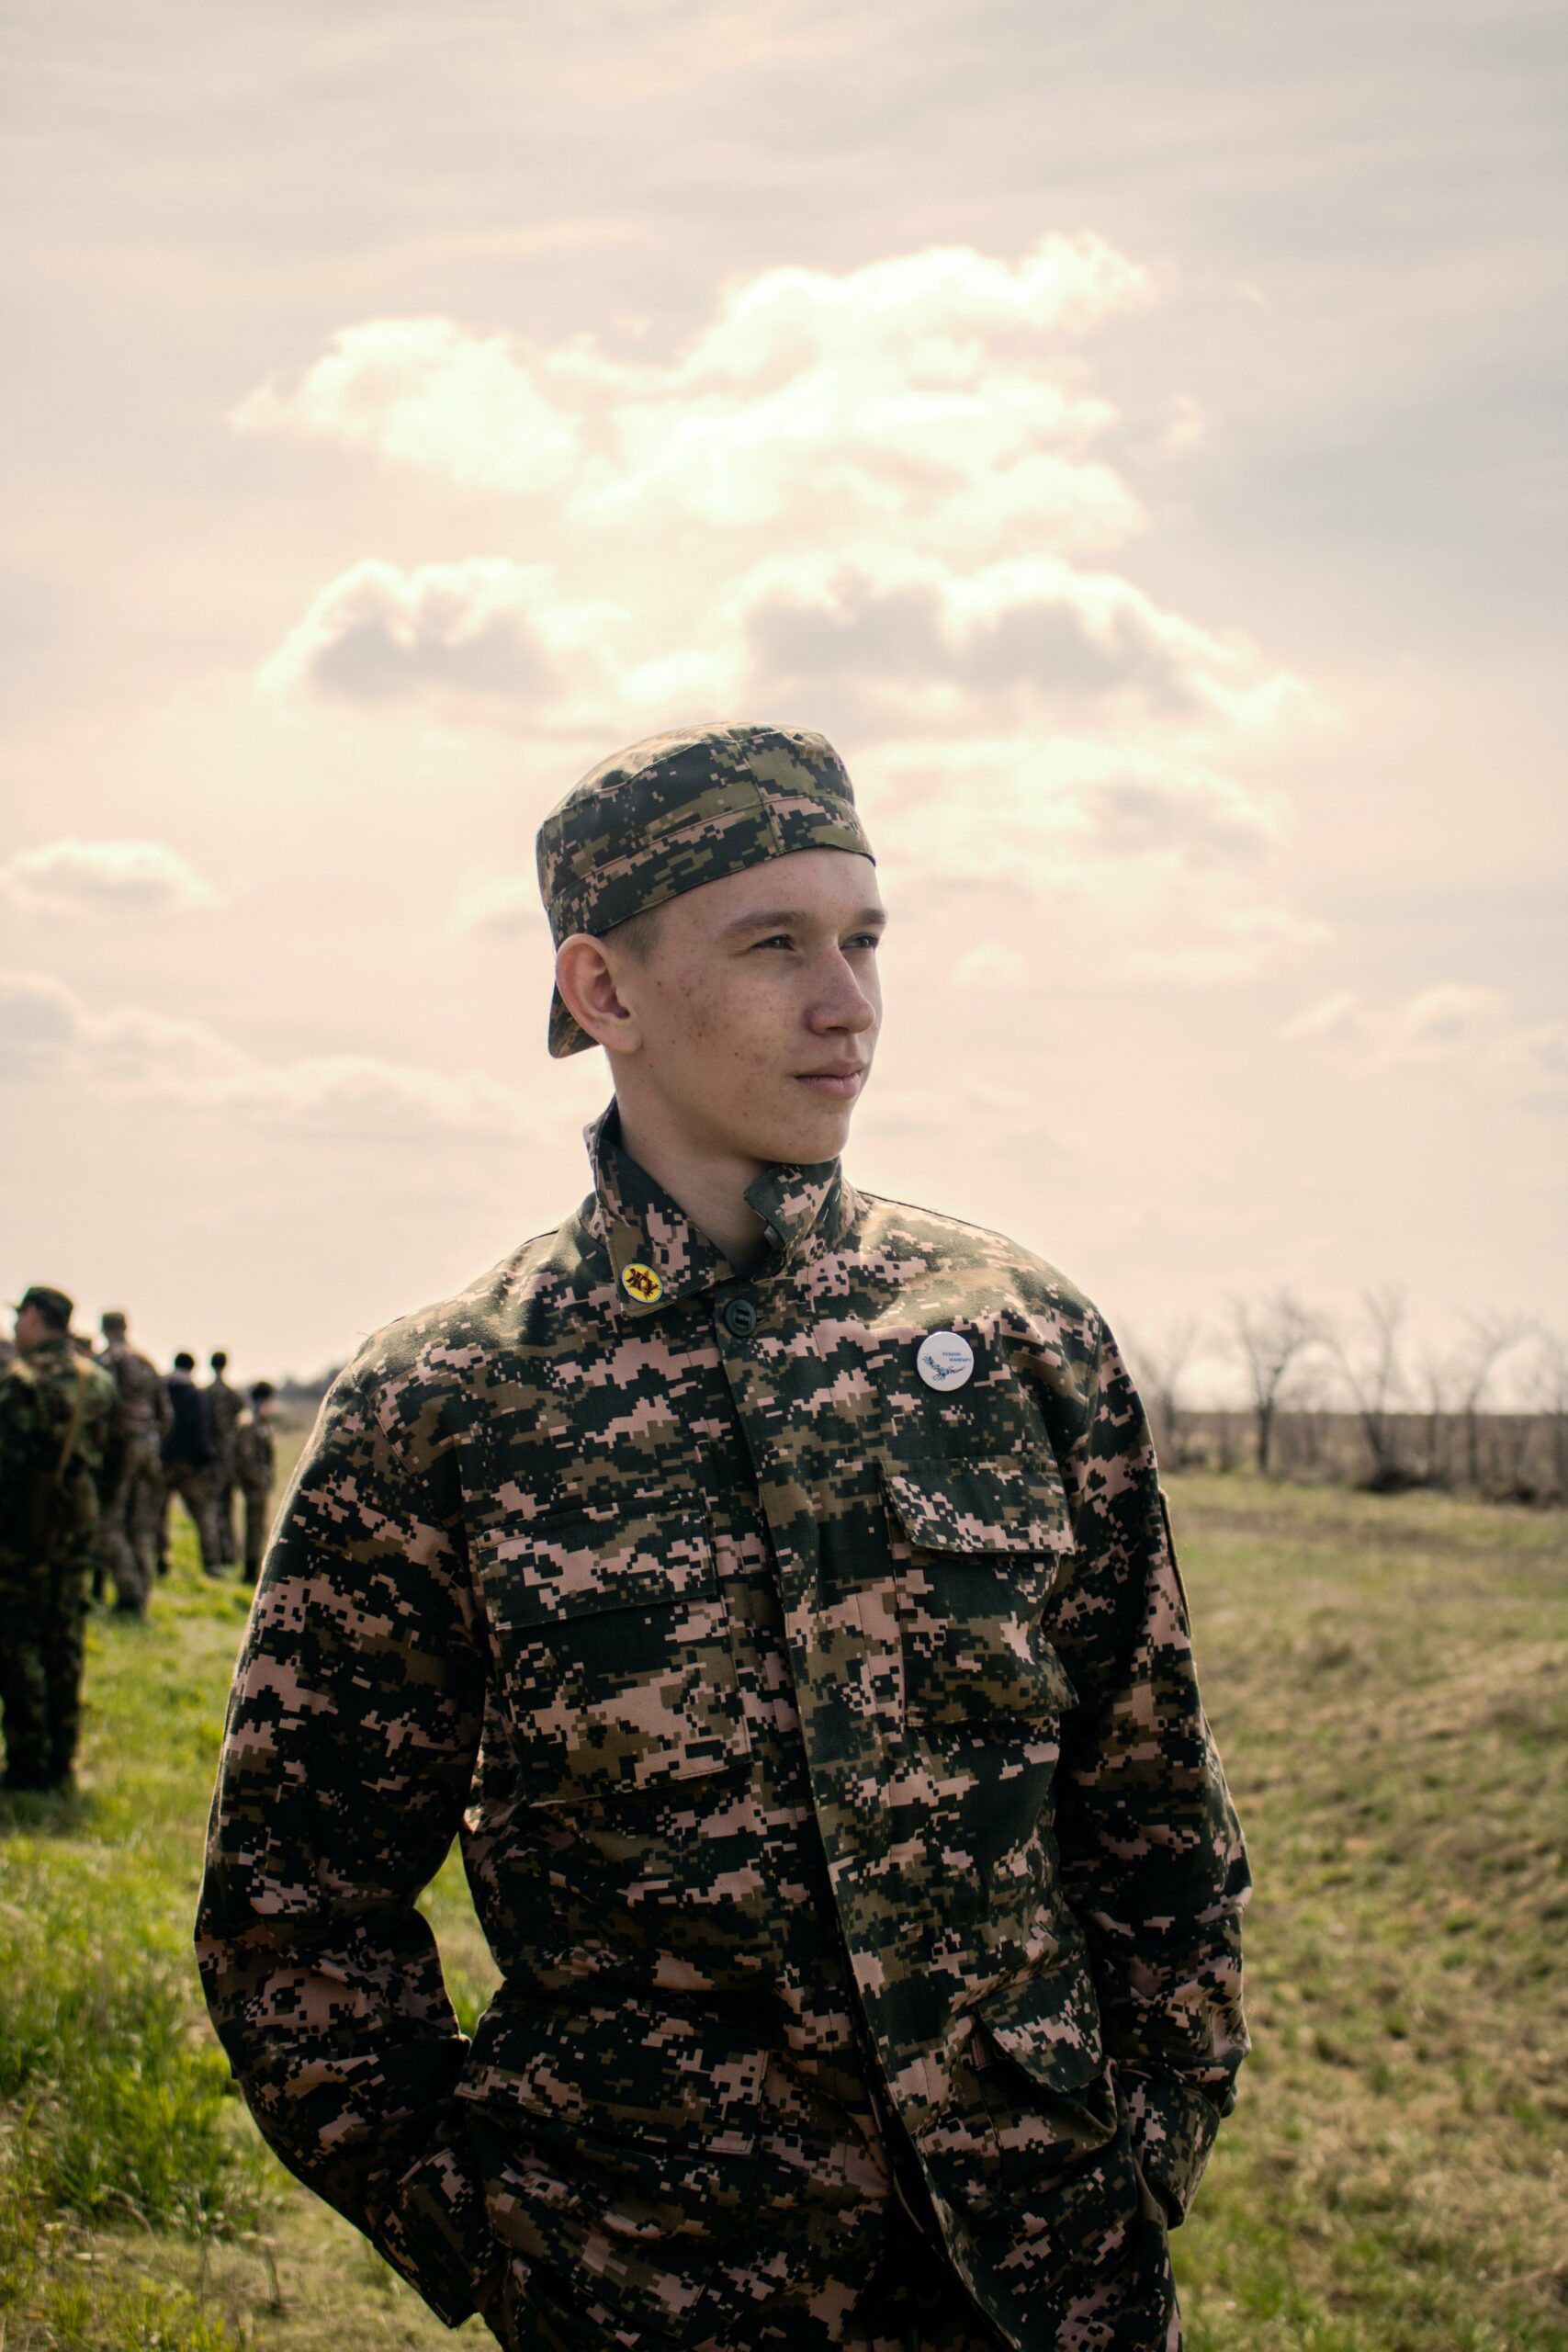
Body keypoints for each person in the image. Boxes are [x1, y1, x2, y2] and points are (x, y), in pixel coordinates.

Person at [197, 723, 1249, 2352]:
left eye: (864, 940)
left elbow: (1153, 1810)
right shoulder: (450, 1403)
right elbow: (296, 1902)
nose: (849, 1005)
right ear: (604, 991)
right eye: (775, 945)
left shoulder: (1017, 1339)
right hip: (648, 2295)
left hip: (1043, 2288)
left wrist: (1146, 2137)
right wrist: (495, 2229)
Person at [0, 1284, 118, 1792]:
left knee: (18, 1642)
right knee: (65, 1639)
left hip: (24, 1535)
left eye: (18, 1318)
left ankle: (29, 1762)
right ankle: (62, 1757)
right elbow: (111, 1463)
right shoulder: (99, 1383)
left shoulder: (23, 1382)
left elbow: (5, 1471)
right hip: (77, 1531)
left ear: (33, 1317)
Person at [94, 1308, 174, 1614]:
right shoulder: (146, 1363)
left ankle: (129, 1593)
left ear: (104, 1329)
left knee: (109, 1525)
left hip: (121, 1451)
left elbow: (99, 1412)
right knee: (141, 1526)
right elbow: (166, 1415)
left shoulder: (106, 1364)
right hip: (150, 1449)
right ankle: (142, 1595)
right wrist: (151, 1439)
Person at [161, 1351, 222, 1575]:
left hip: (164, 1462)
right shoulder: (194, 1394)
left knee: (158, 1514)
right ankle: (211, 1563)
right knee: (204, 1514)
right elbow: (201, 1429)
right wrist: (203, 1458)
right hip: (190, 1465)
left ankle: (160, 1561)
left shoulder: (163, 1389)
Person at [232, 1380, 277, 1583]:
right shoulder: (250, 1423)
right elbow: (246, 1459)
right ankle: (250, 1570)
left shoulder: (259, 1422)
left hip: (259, 1485)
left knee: (258, 1527)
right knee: (254, 1528)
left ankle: (254, 1566)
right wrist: (259, 1480)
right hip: (254, 1486)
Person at [206, 1350, 243, 1566]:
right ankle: (229, 1552)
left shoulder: (206, 1393)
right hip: (229, 1457)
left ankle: (217, 1551)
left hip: (212, 1457)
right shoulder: (233, 1394)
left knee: (214, 1507)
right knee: (228, 1507)